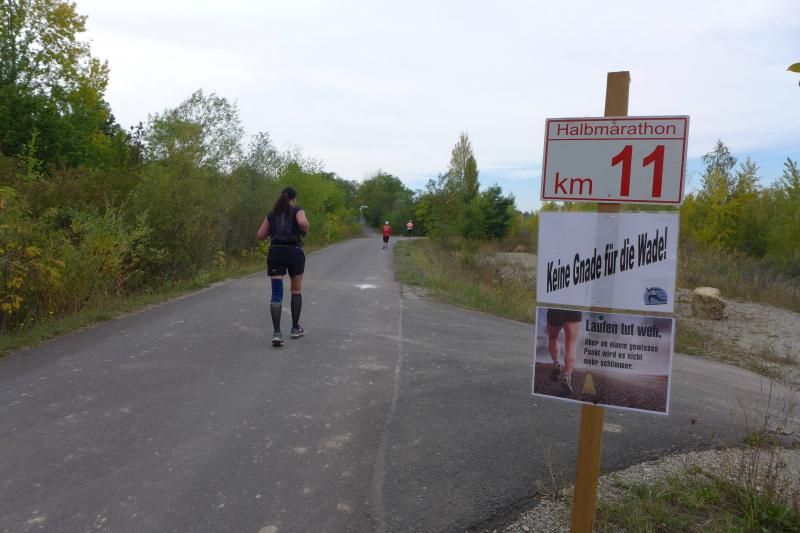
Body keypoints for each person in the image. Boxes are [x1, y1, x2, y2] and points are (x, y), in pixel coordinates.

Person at [256, 187, 310, 347]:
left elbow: (260, 235)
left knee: (276, 294)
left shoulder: (272, 214)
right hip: (294, 252)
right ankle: (295, 328)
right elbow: (302, 222)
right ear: (294, 199)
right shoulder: (297, 210)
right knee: (296, 290)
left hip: (276, 252)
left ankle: (277, 333)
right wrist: (306, 231)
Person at [546, 308, 582, 394]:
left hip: (555, 310)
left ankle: (556, 363)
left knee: (553, 338)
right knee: (571, 346)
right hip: (573, 309)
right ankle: (566, 377)